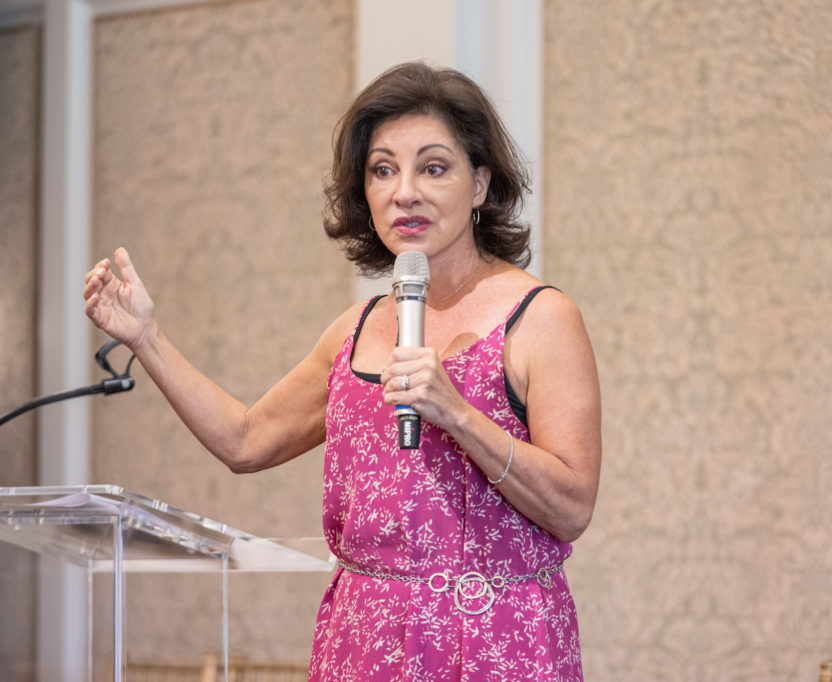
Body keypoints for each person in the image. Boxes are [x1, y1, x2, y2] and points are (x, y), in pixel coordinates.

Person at [83, 61, 601, 681]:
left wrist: (459, 415)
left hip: (496, 641)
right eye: (383, 170)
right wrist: (147, 338)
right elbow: (245, 442)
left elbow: (571, 507)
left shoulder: (540, 317)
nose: (403, 191)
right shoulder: (354, 330)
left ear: (481, 184)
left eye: (433, 167)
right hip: (364, 640)